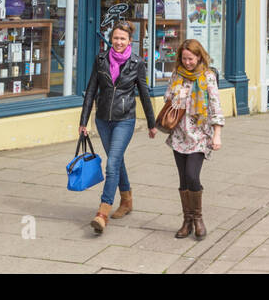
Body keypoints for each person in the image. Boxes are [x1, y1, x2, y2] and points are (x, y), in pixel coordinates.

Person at [78, 21, 157, 234]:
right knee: (117, 159)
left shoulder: (137, 63)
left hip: (125, 119)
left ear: (130, 41)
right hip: (103, 119)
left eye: (123, 39)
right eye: (115, 38)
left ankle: (103, 212)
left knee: (112, 163)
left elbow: (144, 93)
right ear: (110, 39)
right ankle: (127, 200)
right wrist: (83, 121)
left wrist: (152, 123)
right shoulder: (101, 59)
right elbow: (91, 89)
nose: (119, 42)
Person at [164, 39, 223, 239]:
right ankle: (187, 221)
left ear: (199, 57)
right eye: (184, 58)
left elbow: (215, 105)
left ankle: (198, 218)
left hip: (199, 134)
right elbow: (167, 99)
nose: (187, 62)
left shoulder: (208, 77)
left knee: (192, 175)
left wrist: (217, 134)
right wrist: (175, 94)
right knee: (183, 179)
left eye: (191, 58)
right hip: (180, 133)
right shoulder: (176, 75)